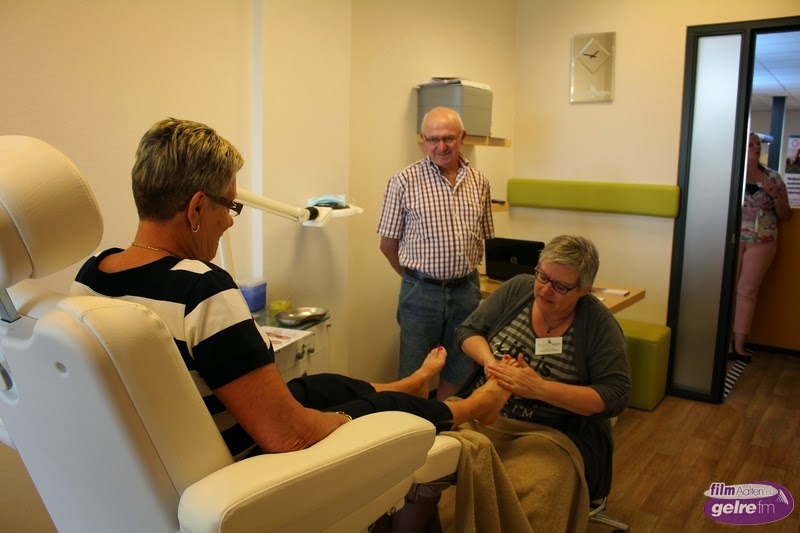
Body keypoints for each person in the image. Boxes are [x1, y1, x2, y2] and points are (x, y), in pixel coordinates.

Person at [70, 117, 514, 462]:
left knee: (323, 384)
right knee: (371, 408)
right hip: (246, 455)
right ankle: (470, 408)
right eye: (230, 205)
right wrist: (342, 419)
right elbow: (292, 435)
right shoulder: (202, 289)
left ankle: (405, 384)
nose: (230, 221)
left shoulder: (91, 276)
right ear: (197, 208)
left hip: (170, 442)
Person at [456, 235, 630, 504]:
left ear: (584, 290)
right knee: (420, 453)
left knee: (527, 491)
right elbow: (468, 331)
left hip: (548, 434)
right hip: (480, 417)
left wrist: (540, 389)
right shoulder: (518, 289)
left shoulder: (597, 324)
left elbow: (615, 395)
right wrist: (490, 362)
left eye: (560, 286)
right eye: (543, 277)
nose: (546, 290)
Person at [377, 106, 494, 401]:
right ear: (423, 139)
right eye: (433, 139)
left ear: (462, 137)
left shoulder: (480, 182)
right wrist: (415, 279)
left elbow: (484, 239)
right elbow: (388, 245)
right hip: (420, 293)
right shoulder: (403, 181)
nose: (441, 147)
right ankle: (413, 427)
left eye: (449, 138)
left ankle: (446, 422)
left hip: (466, 292)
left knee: (461, 371)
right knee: (414, 376)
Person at [730, 132, 793, 363]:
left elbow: (786, 215)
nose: (756, 148)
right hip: (733, 239)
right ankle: (723, 341)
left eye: (758, 144)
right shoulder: (732, 173)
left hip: (762, 242)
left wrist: (774, 195)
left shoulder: (773, 177)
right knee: (727, 289)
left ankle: (739, 345)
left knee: (747, 291)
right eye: (750, 144)